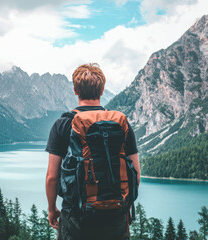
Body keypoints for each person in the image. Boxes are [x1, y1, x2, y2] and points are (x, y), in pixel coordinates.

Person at [45, 63, 140, 240]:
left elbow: (52, 176)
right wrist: (122, 204)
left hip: (77, 215)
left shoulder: (63, 124)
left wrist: (52, 209)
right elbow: (135, 171)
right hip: (116, 214)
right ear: (102, 90)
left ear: (75, 90)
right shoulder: (121, 124)